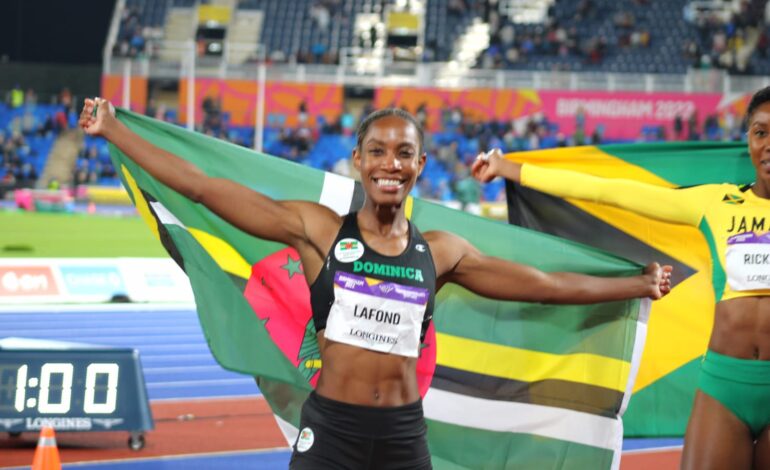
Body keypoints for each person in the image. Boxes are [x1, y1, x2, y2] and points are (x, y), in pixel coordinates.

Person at [80, 98, 672, 470]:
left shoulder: (439, 253)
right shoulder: (315, 231)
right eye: (378, 151)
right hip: (333, 428)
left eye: (404, 153)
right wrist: (115, 132)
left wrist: (635, 287)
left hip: (402, 436)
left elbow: (542, 285)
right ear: (358, 163)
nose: (391, 162)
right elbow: (206, 189)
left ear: (419, 167)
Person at [471, 86, 770, 470]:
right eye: (761, 132)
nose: (768, 144)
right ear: (748, 139)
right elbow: (609, 191)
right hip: (724, 387)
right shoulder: (717, 202)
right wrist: (510, 168)